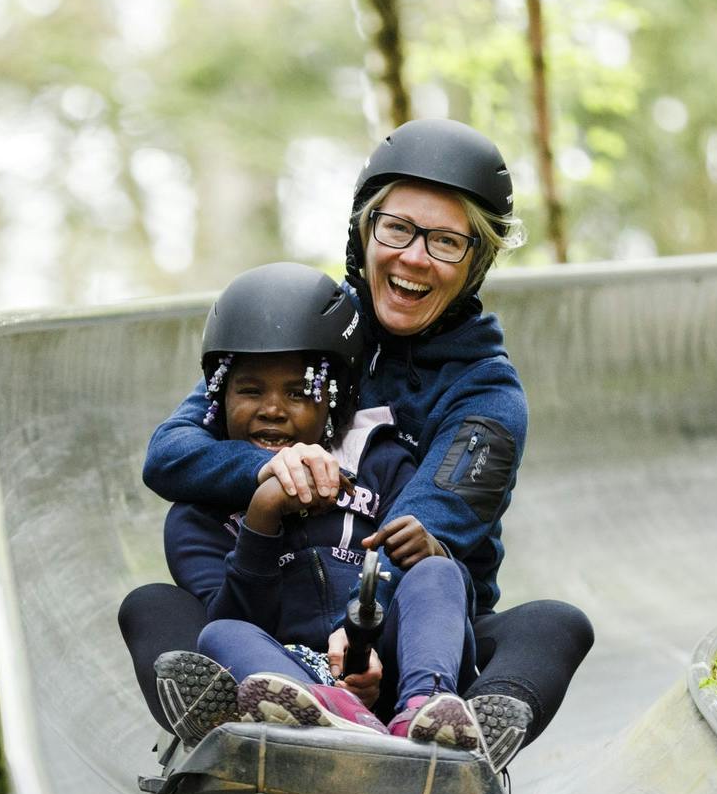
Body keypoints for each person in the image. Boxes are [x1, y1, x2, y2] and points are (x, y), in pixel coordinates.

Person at [120, 118, 593, 757]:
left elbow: (429, 528)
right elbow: (172, 453)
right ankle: (238, 718)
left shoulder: (488, 394)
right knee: (153, 605)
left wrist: (358, 633)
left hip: (410, 634)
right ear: (363, 232)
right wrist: (269, 471)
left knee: (556, 624)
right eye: (397, 229)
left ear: (475, 261)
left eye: (447, 242)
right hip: (271, 616)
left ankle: (454, 736)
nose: (414, 258)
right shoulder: (304, 328)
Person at [155, 262, 489, 753]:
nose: (272, 408)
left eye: (300, 391)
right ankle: (326, 714)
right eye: (249, 390)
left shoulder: (380, 463)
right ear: (218, 397)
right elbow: (240, 617)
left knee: (440, 574)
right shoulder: (195, 517)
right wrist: (262, 517)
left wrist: (422, 558)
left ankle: (427, 712)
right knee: (220, 633)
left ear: (336, 404)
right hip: (285, 680)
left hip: (393, 665)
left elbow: (433, 595)